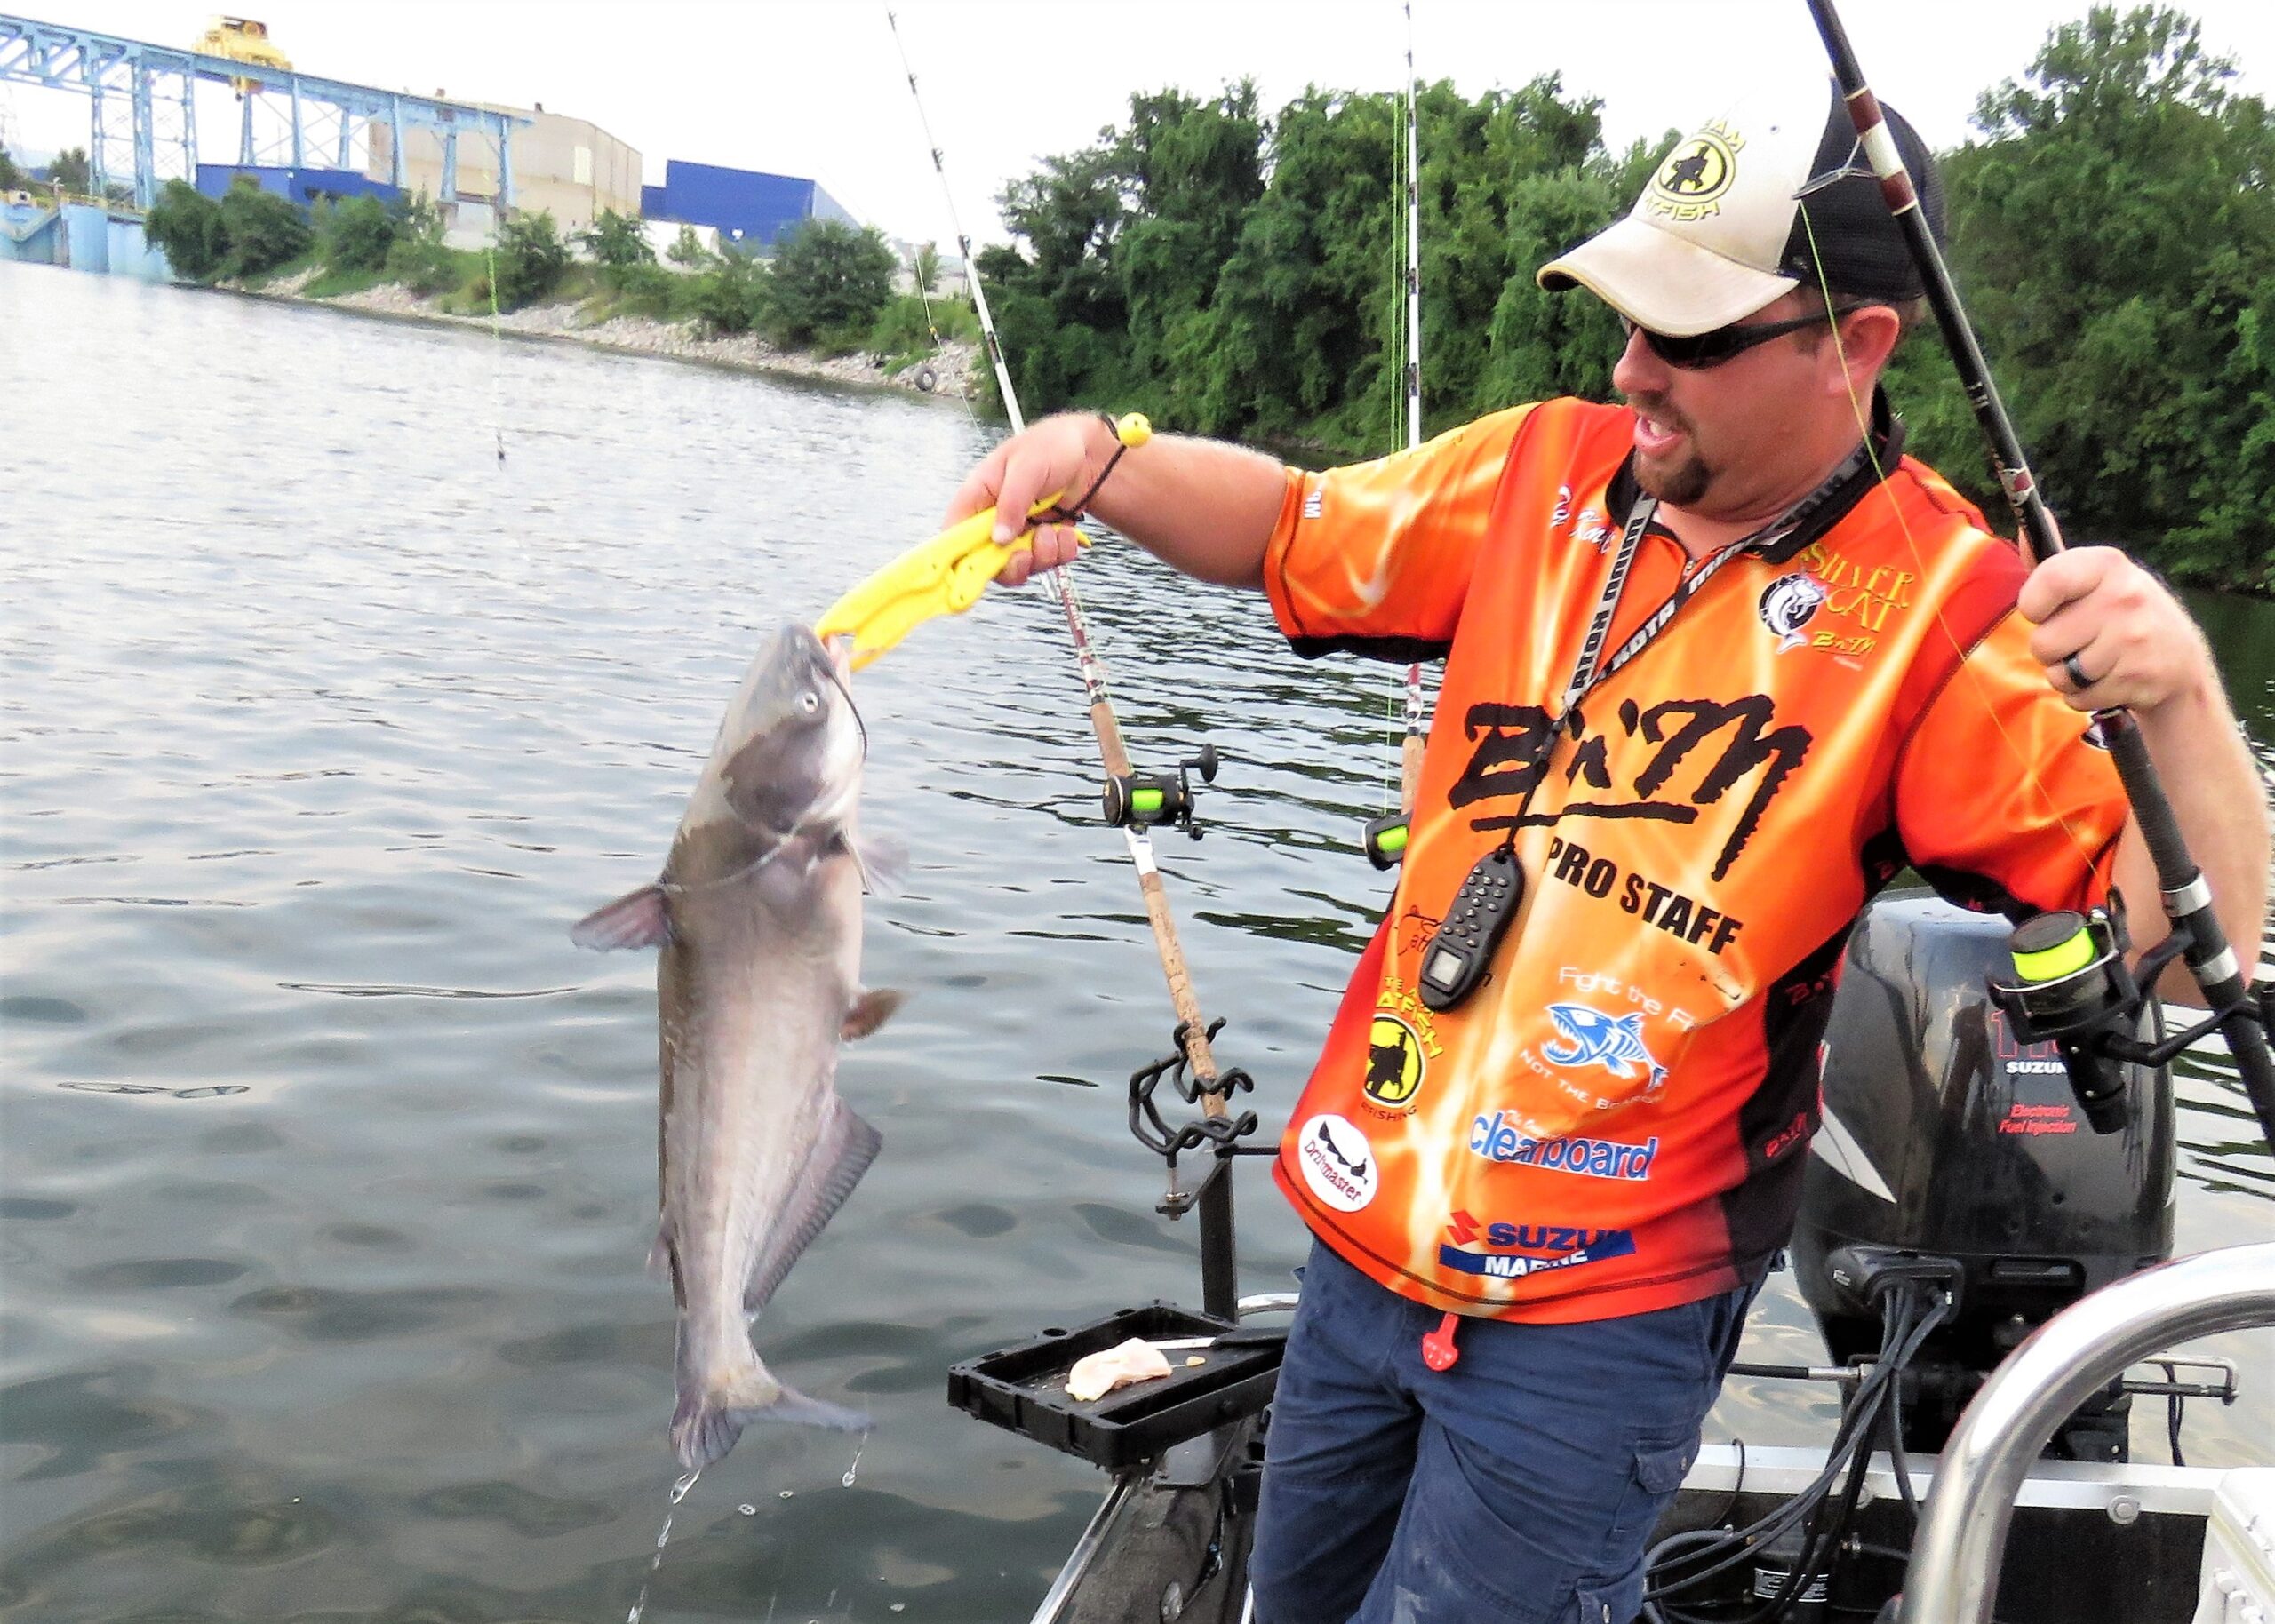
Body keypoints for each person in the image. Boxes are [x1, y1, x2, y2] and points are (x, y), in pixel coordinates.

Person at [946, 80, 2269, 1624]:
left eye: (1691, 337)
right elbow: (1290, 528)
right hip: (1368, 1238)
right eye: (1628, 316)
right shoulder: (1544, 470)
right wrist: (1095, 459)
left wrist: (2177, 693)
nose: (1632, 366)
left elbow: (2185, 959)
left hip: (1600, 1310)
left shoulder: (1947, 611)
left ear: (1855, 348)